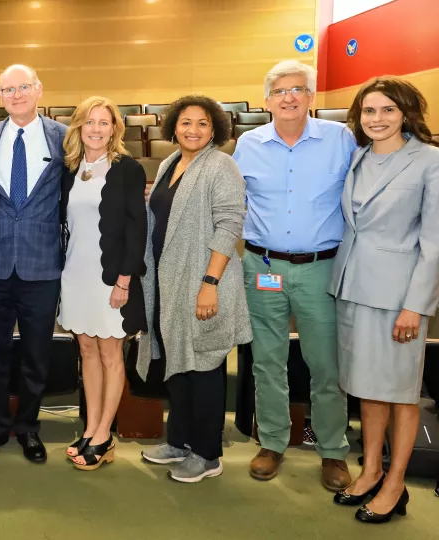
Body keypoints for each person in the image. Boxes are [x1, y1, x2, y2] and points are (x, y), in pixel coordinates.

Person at [232, 60, 357, 491]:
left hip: (321, 267)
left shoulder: (340, 139)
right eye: (280, 90)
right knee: (267, 363)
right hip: (263, 267)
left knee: (326, 365)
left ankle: (333, 451)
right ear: (267, 100)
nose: (289, 97)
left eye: (298, 89)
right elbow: (232, 204)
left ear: (311, 97)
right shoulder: (248, 144)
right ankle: (271, 442)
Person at [328, 77, 439, 523]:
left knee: (400, 395)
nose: (377, 119)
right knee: (368, 388)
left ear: (406, 113)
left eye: (387, 110)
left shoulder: (429, 161)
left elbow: (434, 244)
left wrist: (416, 305)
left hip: (398, 298)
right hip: (352, 288)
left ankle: (396, 483)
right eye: (369, 111)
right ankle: (371, 468)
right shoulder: (357, 156)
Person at [137, 95, 251, 483]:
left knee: (203, 365)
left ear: (215, 127)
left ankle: (207, 454)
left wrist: (209, 283)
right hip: (171, 282)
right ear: (173, 127)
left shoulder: (222, 165)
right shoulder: (172, 163)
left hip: (203, 281)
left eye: (202, 123)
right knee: (178, 364)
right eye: (186, 122)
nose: (193, 130)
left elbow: (229, 224)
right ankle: (180, 441)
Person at [0, 64, 68, 464]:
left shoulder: (64, 137)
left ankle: (28, 427)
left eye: (23, 87)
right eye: (8, 89)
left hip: (42, 265)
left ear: (39, 90)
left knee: (36, 355)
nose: (16, 95)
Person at [58, 96, 147, 471]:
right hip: (75, 275)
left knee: (111, 354)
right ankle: (91, 428)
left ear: (115, 129)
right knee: (87, 351)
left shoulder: (127, 168)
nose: (96, 128)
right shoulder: (72, 169)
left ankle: (105, 436)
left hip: (111, 278)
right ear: (79, 126)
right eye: (89, 122)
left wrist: (124, 281)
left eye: (104, 122)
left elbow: (136, 229)